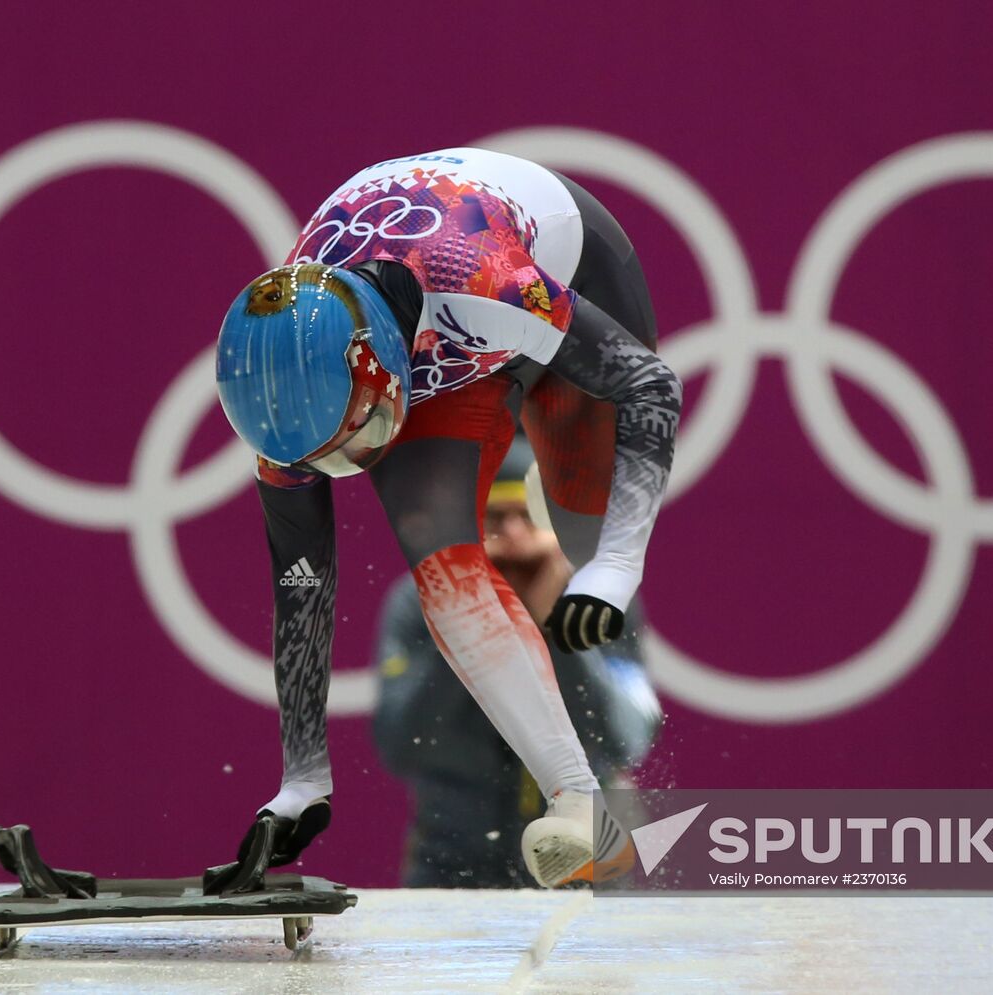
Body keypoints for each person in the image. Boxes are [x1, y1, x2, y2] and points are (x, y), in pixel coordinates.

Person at [215, 146, 680, 888]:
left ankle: (598, 790)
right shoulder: (287, 405)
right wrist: (303, 775)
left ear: (382, 372)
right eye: (329, 459)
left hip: (537, 271)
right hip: (418, 327)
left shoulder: (491, 285)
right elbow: (301, 585)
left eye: (359, 439)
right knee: (440, 557)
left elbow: (651, 385)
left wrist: (617, 565)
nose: (356, 464)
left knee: (587, 535)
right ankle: (579, 801)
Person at [372, 435, 663, 887]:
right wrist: (472, 623)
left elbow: (625, 740)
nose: (512, 535)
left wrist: (557, 630)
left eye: (529, 518)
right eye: (495, 520)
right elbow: (403, 742)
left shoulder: (600, 600)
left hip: (590, 869)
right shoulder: (419, 602)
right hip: (452, 869)